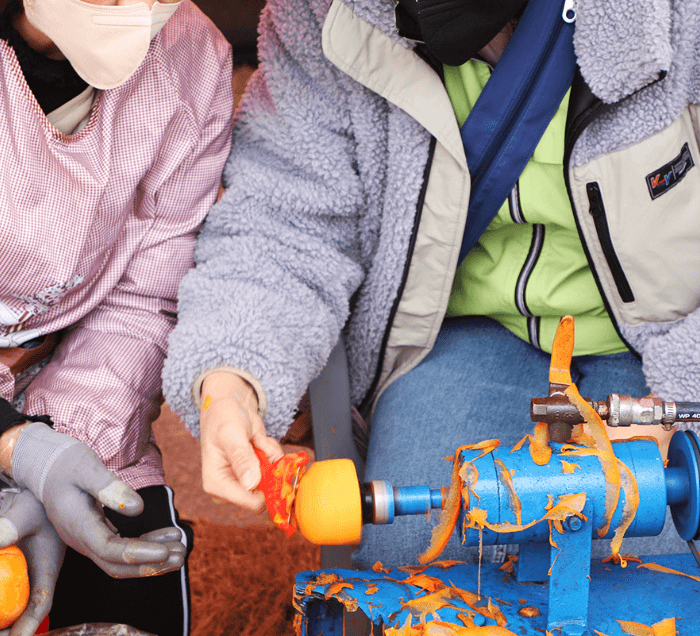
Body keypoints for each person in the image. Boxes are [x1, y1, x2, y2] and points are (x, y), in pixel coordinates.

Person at [163, 0, 700, 571]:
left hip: (669, 341)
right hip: (455, 334)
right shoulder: (322, 14)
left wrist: (686, 408)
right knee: (414, 567)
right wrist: (233, 377)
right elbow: (284, 220)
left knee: (655, 570)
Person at [0, 0, 232, 633]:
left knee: (135, 590)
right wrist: (9, 443)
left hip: (62, 376)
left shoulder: (193, 59)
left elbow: (141, 302)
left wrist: (63, 443)